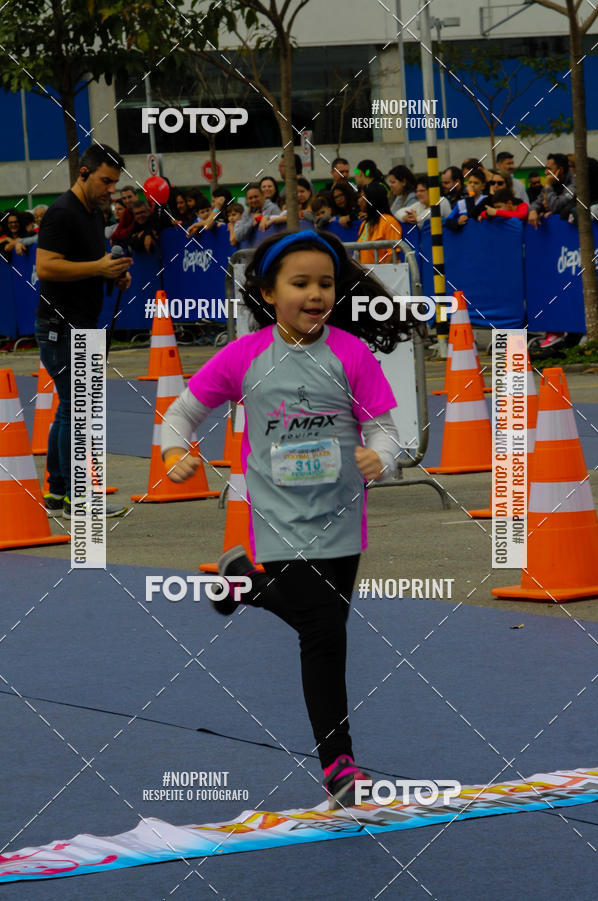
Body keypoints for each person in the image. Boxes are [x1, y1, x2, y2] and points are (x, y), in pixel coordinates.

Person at [160, 229, 417, 808]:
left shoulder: (350, 354)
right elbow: (180, 414)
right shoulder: (244, 357)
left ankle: (240, 583)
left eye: (325, 283)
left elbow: (386, 429)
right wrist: (177, 453)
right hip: (277, 520)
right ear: (268, 292)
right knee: (321, 628)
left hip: (342, 519)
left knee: (325, 635)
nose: (316, 293)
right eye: (300, 283)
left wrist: (382, 454)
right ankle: (340, 764)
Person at [34, 143, 131, 519]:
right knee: (78, 410)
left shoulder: (92, 214)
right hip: (59, 326)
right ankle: (79, 497)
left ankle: (59, 494)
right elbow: (46, 267)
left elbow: (93, 263)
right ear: (84, 173)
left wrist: (114, 274)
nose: (111, 189)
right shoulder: (61, 213)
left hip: (82, 323)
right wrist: (98, 269)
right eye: (106, 181)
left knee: (70, 410)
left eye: (115, 183)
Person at [357, 182, 403, 263]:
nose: (359, 201)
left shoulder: (389, 222)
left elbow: (393, 256)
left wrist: (381, 274)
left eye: (362, 197)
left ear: (371, 200)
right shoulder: (364, 224)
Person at [528, 153, 575, 228]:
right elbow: (537, 203)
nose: (545, 172)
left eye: (549, 169)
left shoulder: (574, 183)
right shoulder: (554, 181)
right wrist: (533, 211)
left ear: (560, 170)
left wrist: (548, 186)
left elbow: (555, 206)